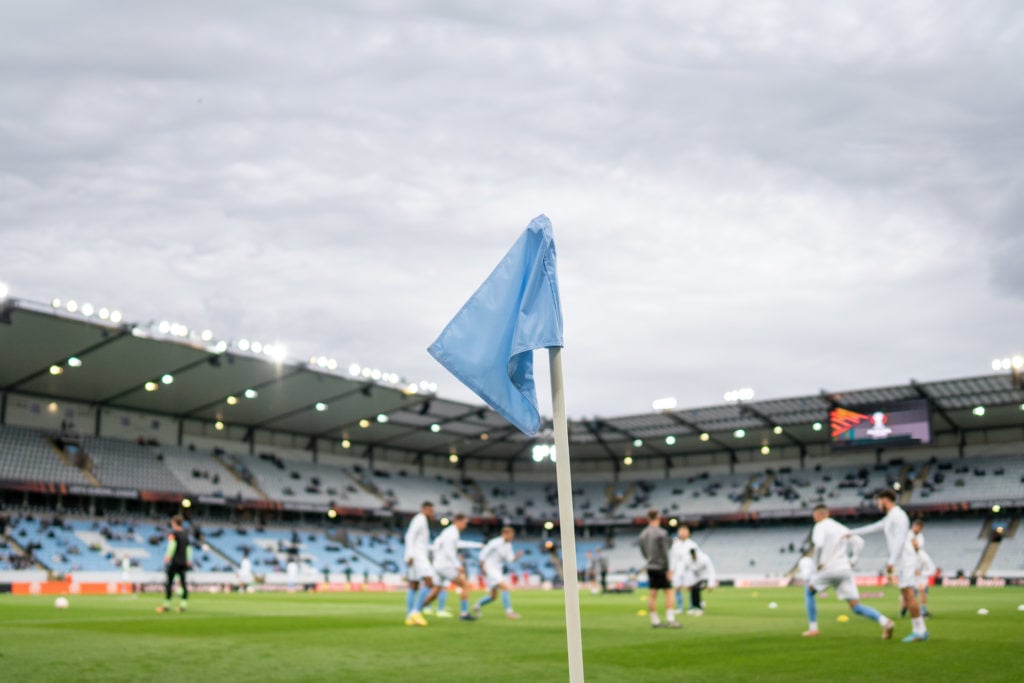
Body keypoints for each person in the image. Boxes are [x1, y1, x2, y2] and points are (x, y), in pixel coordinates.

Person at [802, 504, 895, 639]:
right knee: (856, 606)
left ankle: (813, 628)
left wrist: (817, 564)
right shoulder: (840, 527)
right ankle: (885, 621)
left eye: (814, 515)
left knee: (809, 591)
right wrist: (853, 560)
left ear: (818, 515)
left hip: (828, 569)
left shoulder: (820, 526)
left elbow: (819, 546)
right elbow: (859, 542)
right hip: (844, 569)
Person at [849, 490, 928, 643]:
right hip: (902, 559)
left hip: (905, 559)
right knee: (906, 594)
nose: (878, 505)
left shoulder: (898, 516)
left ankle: (920, 631)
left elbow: (900, 539)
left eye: (878, 502)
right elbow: (874, 527)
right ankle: (920, 629)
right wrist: (850, 532)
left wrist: (891, 561)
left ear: (885, 500)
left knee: (908, 594)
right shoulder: (892, 516)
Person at [430, 513, 483, 621]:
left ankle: (418, 609)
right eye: (464, 523)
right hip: (445, 565)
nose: (465, 526)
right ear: (458, 521)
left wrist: (478, 545)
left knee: (437, 589)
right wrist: (457, 564)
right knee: (464, 584)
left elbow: (457, 545)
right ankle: (464, 613)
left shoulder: (449, 532)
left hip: (439, 564)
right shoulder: (452, 533)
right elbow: (449, 551)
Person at [638, 509, 680, 628]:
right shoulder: (662, 533)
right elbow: (665, 552)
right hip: (661, 566)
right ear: (658, 517)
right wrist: (668, 569)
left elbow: (643, 551)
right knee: (669, 592)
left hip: (650, 566)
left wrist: (649, 559)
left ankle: (655, 621)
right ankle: (670, 619)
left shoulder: (643, 534)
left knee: (652, 593)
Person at [472, 526, 524, 619]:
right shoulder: (495, 542)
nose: (512, 537)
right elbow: (483, 553)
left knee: (493, 596)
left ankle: (477, 605)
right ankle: (509, 613)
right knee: (505, 588)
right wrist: (482, 566)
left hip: (498, 571)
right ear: (505, 534)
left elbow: (510, 560)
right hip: (489, 569)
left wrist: (517, 556)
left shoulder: (508, 545)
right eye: (511, 535)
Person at [404, 501, 440, 626]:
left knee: (414, 585)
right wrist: (409, 555)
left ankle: (409, 616)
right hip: (418, 556)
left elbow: (420, 542)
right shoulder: (420, 519)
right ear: (424, 509)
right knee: (430, 582)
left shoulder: (421, 520)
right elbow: (409, 536)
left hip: (417, 555)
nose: (432, 512)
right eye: (431, 510)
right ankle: (416, 612)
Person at [156, 515, 191, 613]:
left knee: (169, 583)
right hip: (183, 561)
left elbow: (172, 546)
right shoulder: (185, 534)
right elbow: (189, 548)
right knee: (183, 583)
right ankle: (183, 605)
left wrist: (168, 556)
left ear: (175, 523)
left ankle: (166, 605)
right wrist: (188, 559)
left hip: (175, 561)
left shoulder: (174, 534)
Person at [905, 517, 934, 617]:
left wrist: (921, 573)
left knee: (922, 590)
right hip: (909, 574)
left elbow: (932, 569)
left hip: (919, 577)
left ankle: (922, 611)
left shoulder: (922, 554)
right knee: (906, 597)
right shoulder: (907, 536)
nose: (915, 543)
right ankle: (904, 608)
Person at [668, 526, 698, 615]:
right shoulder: (675, 545)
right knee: (677, 587)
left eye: (685, 531)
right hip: (678, 569)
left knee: (689, 587)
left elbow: (696, 558)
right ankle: (679, 607)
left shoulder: (692, 545)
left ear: (688, 533)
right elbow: (673, 558)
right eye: (681, 531)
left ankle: (691, 606)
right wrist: (671, 570)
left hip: (689, 569)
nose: (683, 533)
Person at [685, 546, 716, 616]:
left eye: (694, 554)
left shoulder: (704, 558)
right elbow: (688, 572)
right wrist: (687, 583)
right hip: (696, 580)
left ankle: (699, 608)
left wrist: (711, 584)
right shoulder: (688, 560)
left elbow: (711, 571)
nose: (693, 556)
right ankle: (695, 606)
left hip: (705, 579)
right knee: (693, 590)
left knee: (696, 589)